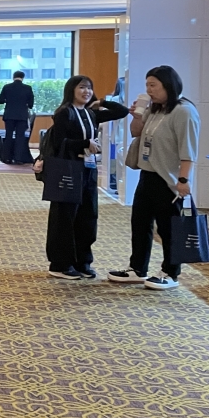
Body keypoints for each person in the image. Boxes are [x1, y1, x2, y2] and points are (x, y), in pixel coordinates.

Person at [109, 66, 200, 290]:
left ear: (168, 85)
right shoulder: (155, 109)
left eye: (153, 85)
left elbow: (188, 150)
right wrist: (138, 115)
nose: (149, 90)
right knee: (140, 223)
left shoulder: (184, 111)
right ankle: (137, 268)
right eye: (147, 85)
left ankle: (171, 272)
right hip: (147, 174)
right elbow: (136, 132)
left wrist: (183, 180)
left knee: (169, 228)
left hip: (168, 179)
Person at [41, 76, 129, 279]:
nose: (86, 92)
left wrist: (102, 102)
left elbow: (122, 112)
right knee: (65, 218)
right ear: (71, 90)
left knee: (88, 217)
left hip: (89, 170)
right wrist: (85, 143)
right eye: (82, 87)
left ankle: (82, 261)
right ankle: (60, 264)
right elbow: (60, 142)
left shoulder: (90, 113)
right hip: (69, 169)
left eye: (89, 88)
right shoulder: (65, 113)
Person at [0, 71, 36, 164]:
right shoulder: (27, 88)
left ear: (13, 77)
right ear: (23, 78)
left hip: (9, 115)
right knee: (20, 137)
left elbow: (0, 100)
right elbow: (31, 104)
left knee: (8, 136)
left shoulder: (7, 87)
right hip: (22, 116)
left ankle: (7, 158)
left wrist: (8, 100)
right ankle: (18, 159)